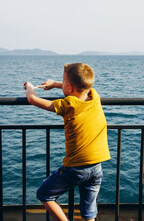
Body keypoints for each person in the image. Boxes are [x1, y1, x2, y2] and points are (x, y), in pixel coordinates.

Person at [24, 63, 111, 221]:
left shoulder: (68, 105)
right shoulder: (94, 96)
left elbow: (32, 99)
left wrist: (30, 87)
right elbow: (79, 86)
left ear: (69, 87)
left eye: (63, 82)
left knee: (44, 194)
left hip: (75, 168)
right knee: (89, 210)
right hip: (97, 166)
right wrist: (56, 84)